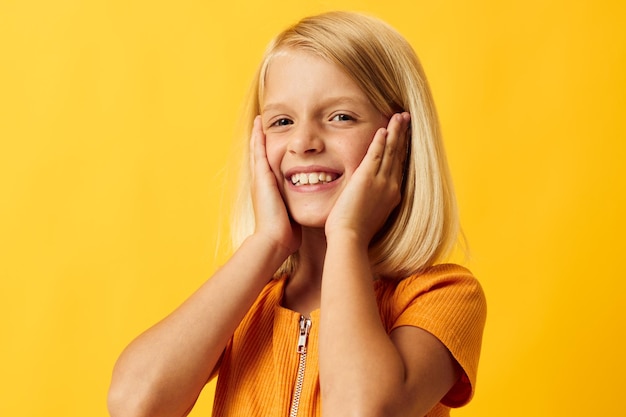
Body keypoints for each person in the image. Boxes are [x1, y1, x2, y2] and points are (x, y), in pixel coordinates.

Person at [108, 10, 487, 417]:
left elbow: (360, 410)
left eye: (341, 116)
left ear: (401, 141)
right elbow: (135, 405)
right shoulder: (249, 298)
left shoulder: (442, 296)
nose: (303, 142)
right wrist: (267, 242)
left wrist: (348, 235)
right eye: (282, 121)